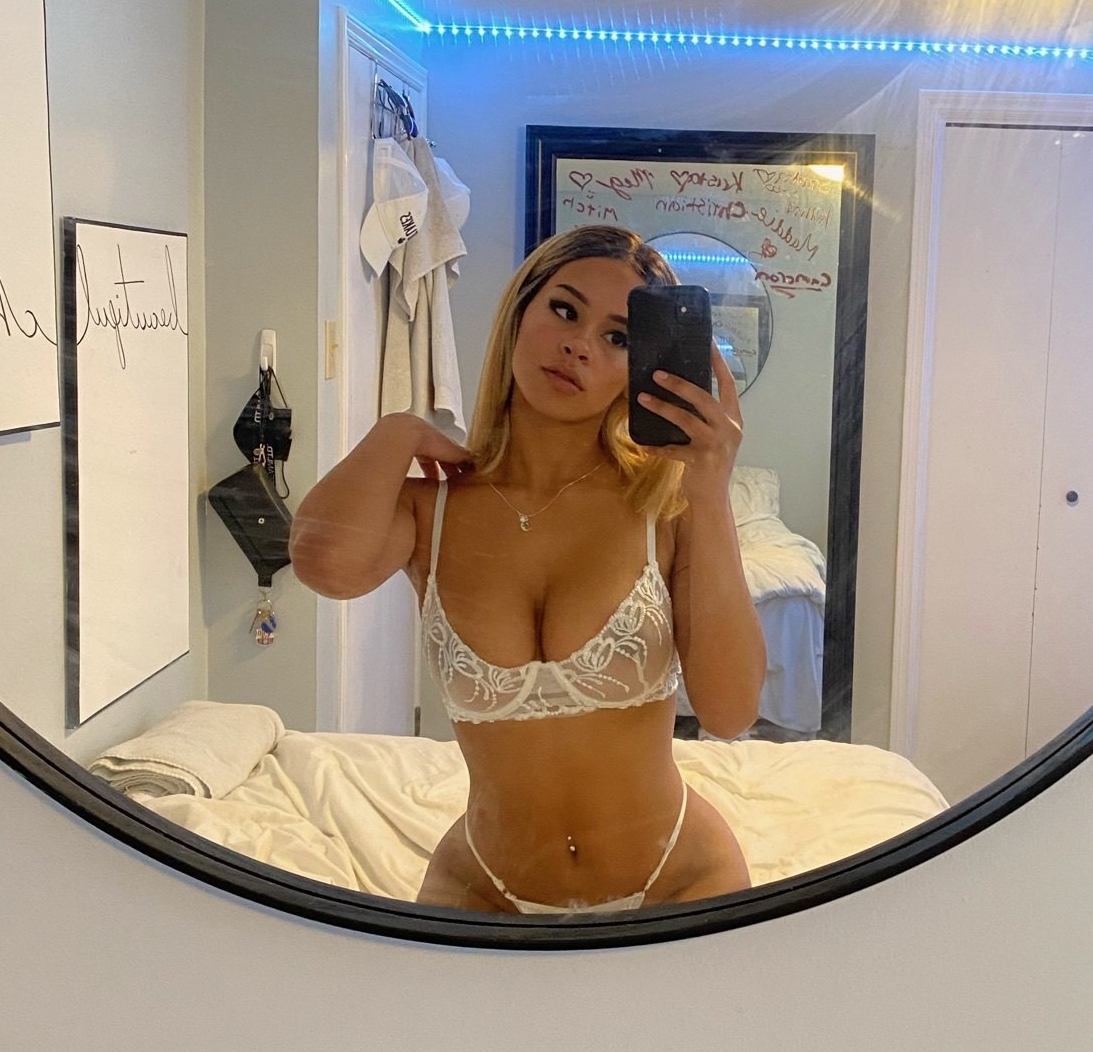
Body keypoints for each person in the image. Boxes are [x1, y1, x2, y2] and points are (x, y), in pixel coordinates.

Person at [291, 225, 765, 914]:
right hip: (486, 887)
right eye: (565, 310)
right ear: (519, 312)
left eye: (618, 337)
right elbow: (323, 566)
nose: (579, 345)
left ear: (640, 366)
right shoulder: (433, 510)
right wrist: (398, 431)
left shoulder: (664, 508)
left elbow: (730, 711)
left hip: (677, 879)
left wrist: (712, 494)